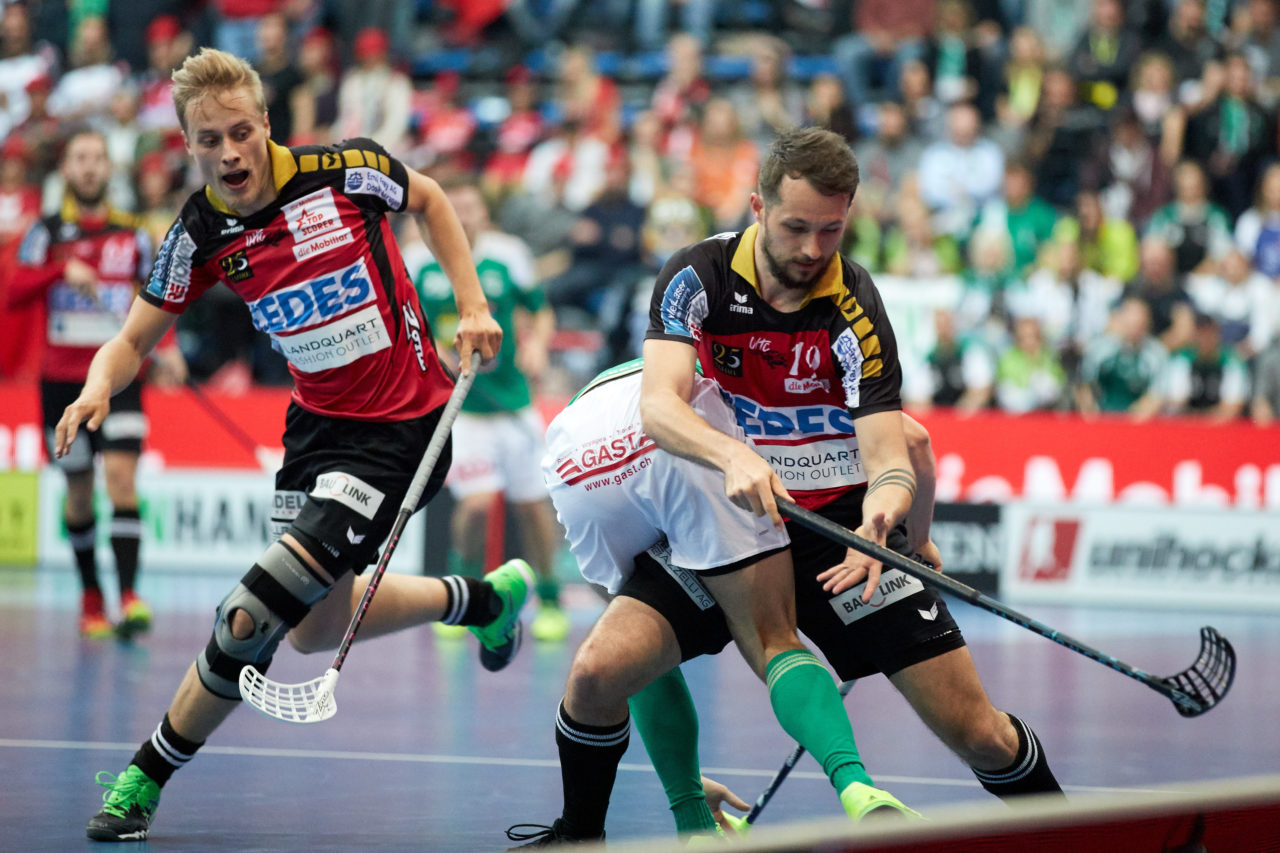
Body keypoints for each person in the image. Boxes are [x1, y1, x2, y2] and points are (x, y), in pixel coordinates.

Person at [511, 128, 1062, 846]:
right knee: (596, 671)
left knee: (979, 731)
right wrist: (729, 456)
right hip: (725, 515)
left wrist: (884, 523)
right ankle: (579, 834)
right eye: (796, 227)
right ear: (758, 208)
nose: (812, 248)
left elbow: (895, 457)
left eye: (830, 230)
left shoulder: (855, 306)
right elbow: (659, 404)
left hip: (840, 533)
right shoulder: (697, 275)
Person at [57, 48, 533, 843]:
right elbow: (133, 338)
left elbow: (435, 198)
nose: (230, 153)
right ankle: (481, 600)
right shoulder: (201, 229)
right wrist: (100, 382)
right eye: (209, 140)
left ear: (266, 124)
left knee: (256, 614)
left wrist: (474, 305)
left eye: (241, 132)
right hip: (314, 432)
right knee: (314, 627)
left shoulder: (344, 173)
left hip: (404, 427)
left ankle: (146, 773)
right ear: (188, 143)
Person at [512, 357, 927, 847]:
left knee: (620, 659)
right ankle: (857, 787)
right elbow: (914, 439)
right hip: (687, 429)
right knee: (772, 641)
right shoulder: (752, 369)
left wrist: (686, 788)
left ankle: (692, 827)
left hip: (576, 457)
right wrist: (915, 541)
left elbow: (650, 669)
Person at [9, 129, 184, 638]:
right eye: (79, 157)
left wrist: (167, 352)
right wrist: (62, 270)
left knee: (122, 480)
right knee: (80, 493)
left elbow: (161, 299)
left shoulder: (134, 233)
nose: (88, 167)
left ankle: (129, 596)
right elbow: (15, 288)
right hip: (61, 384)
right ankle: (91, 598)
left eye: (97, 158)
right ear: (66, 168)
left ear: (109, 169)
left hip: (119, 376)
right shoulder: (46, 232)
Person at [414, 180, 570, 643]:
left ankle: (551, 600)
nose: (462, 216)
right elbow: (409, 325)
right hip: (464, 410)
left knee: (532, 505)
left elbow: (539, 310)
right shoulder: (420, 264)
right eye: (453, 208)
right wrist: (433, 355)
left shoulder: (509, 255)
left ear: (484, 213)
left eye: (470, 206)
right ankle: (463, 597)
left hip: (514, 403)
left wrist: (539, 345)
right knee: (477, 506)